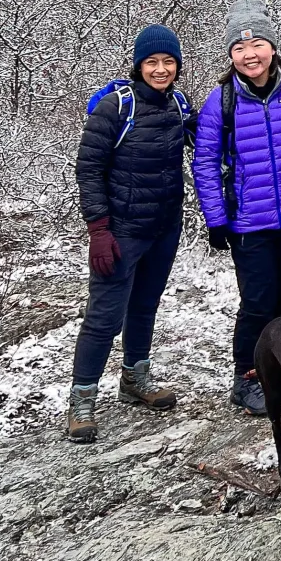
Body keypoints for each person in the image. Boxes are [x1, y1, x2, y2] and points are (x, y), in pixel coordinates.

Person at [193, 0, 281, 416]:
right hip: (248, 222)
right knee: (257, 301)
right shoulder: (221, 102)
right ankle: (246, 378)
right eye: (239, 49)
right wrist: (216, 219)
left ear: (272, 47)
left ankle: (278, 370)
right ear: (231, 55)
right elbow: (204, 162)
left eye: (256, 46)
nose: (249, 55)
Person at [67, 24, 195, 443]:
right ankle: (82, 400)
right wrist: (99, 228)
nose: (161, 69)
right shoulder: (115, 107)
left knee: (145, 305)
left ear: (177, 65)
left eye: (168, 61)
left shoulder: (178, 103)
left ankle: (134, 378)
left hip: (164, 225)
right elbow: (88, 169)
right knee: (104, 316)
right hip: (122, 230)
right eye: (152, 62)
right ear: (139, 65)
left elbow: (211, 139)